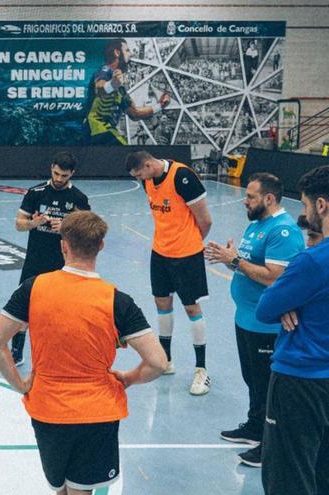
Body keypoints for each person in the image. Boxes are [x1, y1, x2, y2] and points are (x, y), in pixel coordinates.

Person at [0, 210, 167, 495]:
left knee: (60, 489)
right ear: (101, 246)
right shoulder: (118, 301)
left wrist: (20, 385)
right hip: (97, 412)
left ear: (63, 245)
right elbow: (157, 362)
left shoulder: (33, 288)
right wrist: (128, 378)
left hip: (48, 409)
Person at [204, 173, 303, 467]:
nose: (244, 200)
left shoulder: (283, 231)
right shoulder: (256, 224)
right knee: (253, 381)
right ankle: (254, 426)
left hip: (267, 327)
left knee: (267, 386)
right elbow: (248, 262)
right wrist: (231, 256)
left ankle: (268, 445)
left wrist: (234, 261)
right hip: (245, 319)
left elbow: (275, 278)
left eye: (250, 196)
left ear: (268, 199)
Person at [255, 166, 329, 495]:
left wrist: (290, 301)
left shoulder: (312, 261)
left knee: (289, 476)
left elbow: (267, 308)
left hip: (301, 381)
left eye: (305, 204)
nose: (304, 212)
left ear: (322, 205)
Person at [126, 150, 213, 395]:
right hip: (160, 252)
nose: (139, 179)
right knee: (162, 303)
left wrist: (191, 243)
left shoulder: (182, 177)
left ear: (148, 164)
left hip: (187, 254)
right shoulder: (147, 181)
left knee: (191, 308)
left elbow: (205, 219)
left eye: (139, 173)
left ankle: (201, 370)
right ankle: (166, 360)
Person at [11, 152, 90, 366]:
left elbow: (87, 233)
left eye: (64, 176)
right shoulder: (36, 193)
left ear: (72, 174)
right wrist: (33, 224)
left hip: (64, 263)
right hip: (35, 260)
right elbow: (19, 224)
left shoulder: (79, 199)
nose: (59, 179)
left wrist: (66, 228)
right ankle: (17, 350)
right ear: (51, 168)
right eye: (56, 173)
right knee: (24, 305)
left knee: (62, 309)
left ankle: (61, 351)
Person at [85, 39, 170, 145]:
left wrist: (160, 105)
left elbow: (134, 113)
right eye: (127, 50)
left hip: (106, 133)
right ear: (117, 52)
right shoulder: (105, 71)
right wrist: (112, 85)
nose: (131, 54)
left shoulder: (121, 88)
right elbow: (99, 87)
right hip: (94, 130)